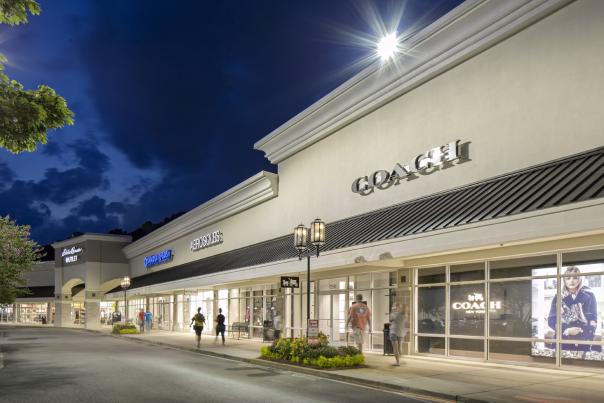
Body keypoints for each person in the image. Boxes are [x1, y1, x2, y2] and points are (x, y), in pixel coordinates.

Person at [547, 266, 598, 352]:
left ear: (580, 279)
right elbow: (552, 320)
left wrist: (581, 332)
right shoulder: (558, 297)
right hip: (562, 341)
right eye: (568, 278)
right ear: (564, 280)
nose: (571, 281)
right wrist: (567, 330)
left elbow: (593, 320)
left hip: (583, 342)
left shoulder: (590, 295)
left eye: (575, 278)